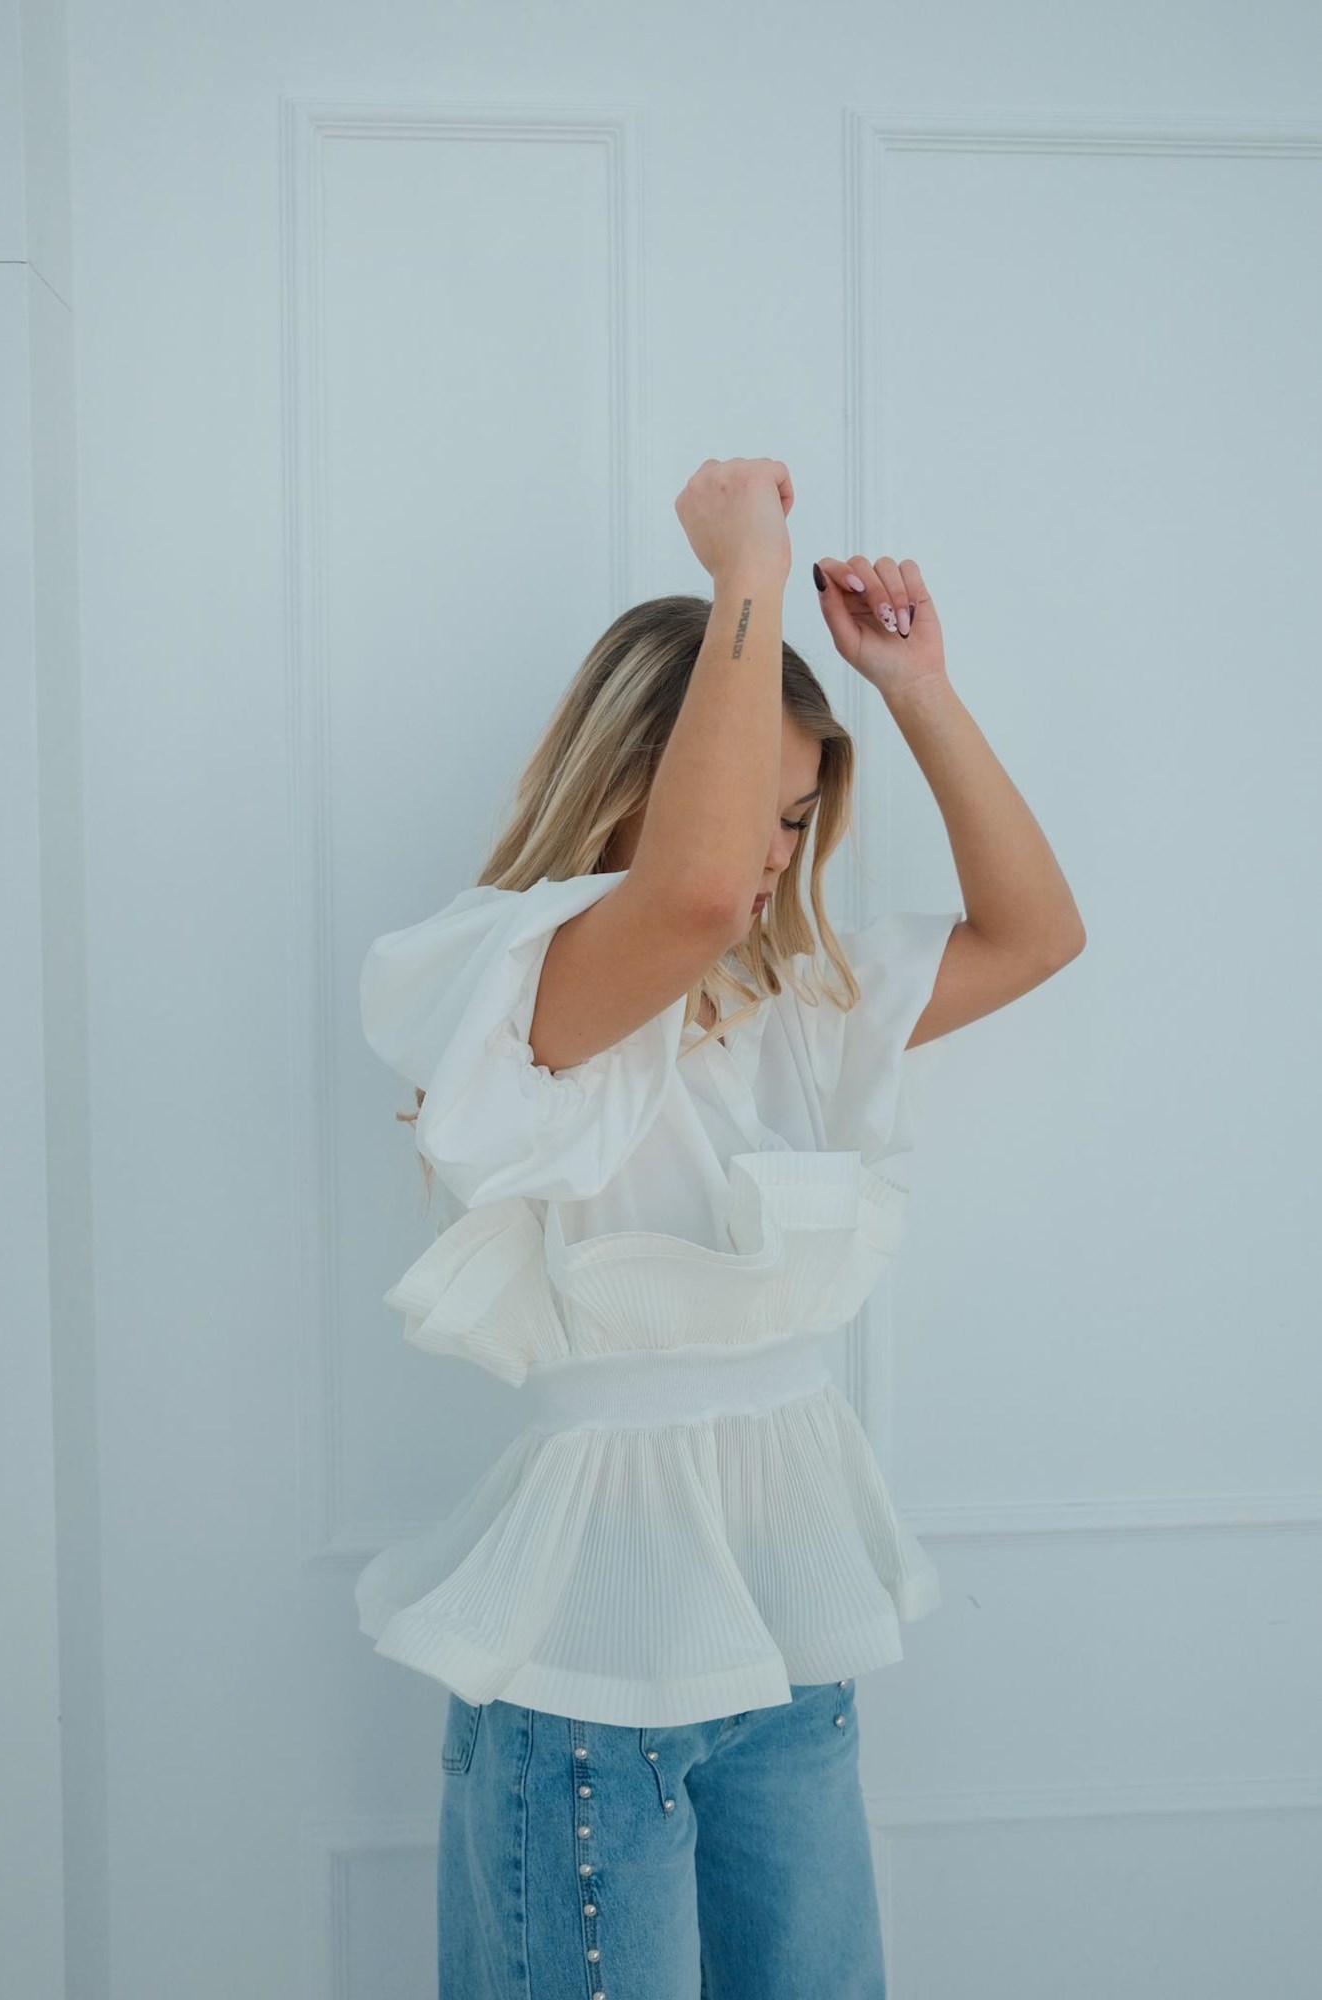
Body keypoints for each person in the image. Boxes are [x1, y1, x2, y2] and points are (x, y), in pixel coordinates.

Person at [355, 457, 1087, 1997]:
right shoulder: (515, 978)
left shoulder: (794, 1005)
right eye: (745, 811)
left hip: (785, 1622)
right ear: (630, 778)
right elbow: (683, 897)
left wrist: (915, 688)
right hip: (589, 1668)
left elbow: (1036, 935)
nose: (765, 858)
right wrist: (746, 564)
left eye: (795, 820)